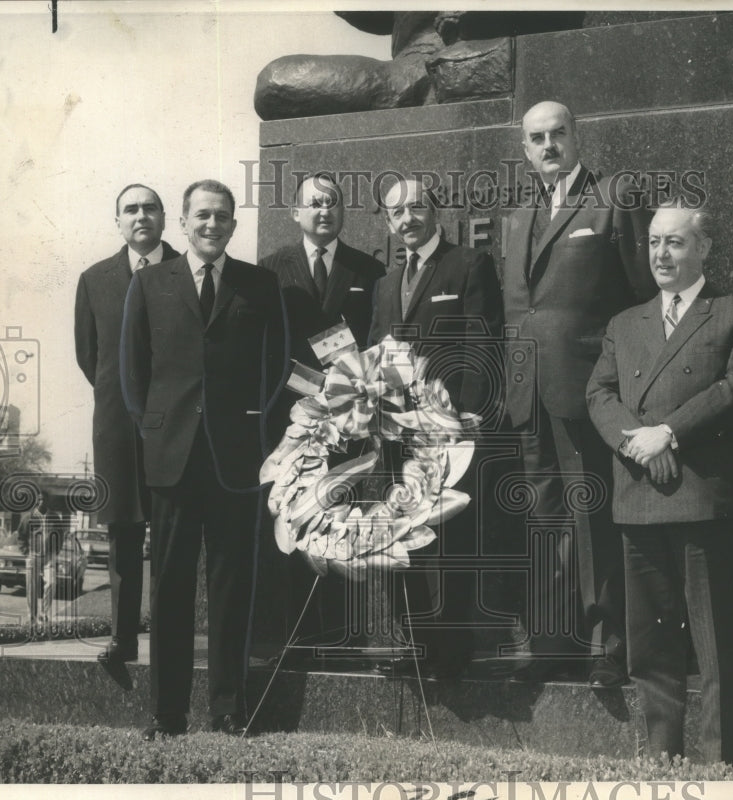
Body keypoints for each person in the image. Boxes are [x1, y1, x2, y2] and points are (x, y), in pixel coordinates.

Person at [121, 179, 288, 739]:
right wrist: (155, 433)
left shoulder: (259, 285)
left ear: (233, 226)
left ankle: (227, 709)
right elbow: (131, 373)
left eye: (222, 217)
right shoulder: (148, 285)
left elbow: (279, 363)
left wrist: (255, 430)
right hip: (171, 461)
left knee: (231, 588)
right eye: (201, 217)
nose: (211, 225)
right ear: (183, 224)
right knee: (168, 591)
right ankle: (166, 714)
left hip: (236, 463)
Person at [587, 205, 733, 762]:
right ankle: (661, 754)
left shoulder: (731, 311)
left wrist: (669, 433)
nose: (661, 254)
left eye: (675, 243)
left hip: (702, 498)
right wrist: (637, 440)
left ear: (702, 248)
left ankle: (721, 760)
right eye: (654, 242)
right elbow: (599, 394)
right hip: (639, 497)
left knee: (716, 645)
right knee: (651, 645)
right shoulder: (624, 323)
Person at [502, 100, 656, 686]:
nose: (548, 145)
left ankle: (606, 646)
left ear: (577, 136)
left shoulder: (614, 197)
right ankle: (551, 644)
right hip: (529, 393)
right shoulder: (519, 216)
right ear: (525, 149)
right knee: (543, 521)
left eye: (557, 134)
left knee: (592, 517)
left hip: (589, 389)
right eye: (536, 138)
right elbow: (521, 308)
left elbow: (644, 299)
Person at [369, 176, 504, 680]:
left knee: (447, 537)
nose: (408, 220)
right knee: (404, 534)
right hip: (395, 434)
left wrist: (465, 415)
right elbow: (374, 355)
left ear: (436, 211)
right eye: (397, 213)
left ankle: (448, 654)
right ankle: (413, 644)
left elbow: (481, 344)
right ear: (388, 222)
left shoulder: (468, 264)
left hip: (448, 432)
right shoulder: (386, 284)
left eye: (417, 208)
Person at [258, 173, 386, 662]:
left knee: (341, 520)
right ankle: (295, 634)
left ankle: (343, 635)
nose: (323, 211)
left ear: (342, 212)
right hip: (292, 423)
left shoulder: (369, 272)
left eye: (331, 203)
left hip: (348, 420)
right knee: (294, 517)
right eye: (313, 204)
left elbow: (374, 343)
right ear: (295, 213)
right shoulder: (271, 270)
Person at [74, 183, 180, 690]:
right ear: (117, 221)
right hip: (118, 426)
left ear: (165, 218)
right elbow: (88, 355)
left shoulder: (187, 270)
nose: (141, 216)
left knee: (172, 530)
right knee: (121, 532)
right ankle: (122, 638)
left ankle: (169, 637)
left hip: (174, 426)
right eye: (130, 209)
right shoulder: (94, 280)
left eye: (150, 208)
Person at [19, 493, 65, 630]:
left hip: (49, 556)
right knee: (31, 587)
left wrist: (56, 552)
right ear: (36, 501)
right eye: (39, 499)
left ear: (48, 501)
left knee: (51, 582)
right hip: (33, 555)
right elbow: (21, 536)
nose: (41, 501)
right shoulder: (28, 517)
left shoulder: (55, 517)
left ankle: (43, 615)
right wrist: (26, 552)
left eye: (44, 499)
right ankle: (32, 617)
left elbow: (60, 535)